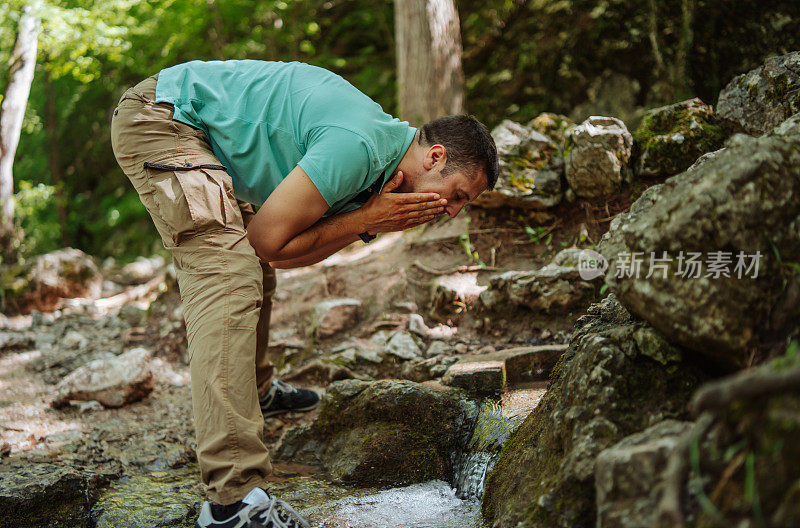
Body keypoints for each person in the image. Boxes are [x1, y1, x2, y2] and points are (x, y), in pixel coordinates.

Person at [110, 59, 499, 528]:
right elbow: (267, 240)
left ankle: (253, 391)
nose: (452, 212)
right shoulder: (357, 148)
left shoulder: (379, 175)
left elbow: (279, 256)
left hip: (203, 137)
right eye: (457, 195)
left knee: (251, 267)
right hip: (165, 118)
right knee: (227, 274)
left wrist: (366, 221)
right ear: (435, 157)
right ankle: (232, 503)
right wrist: (366, 220)